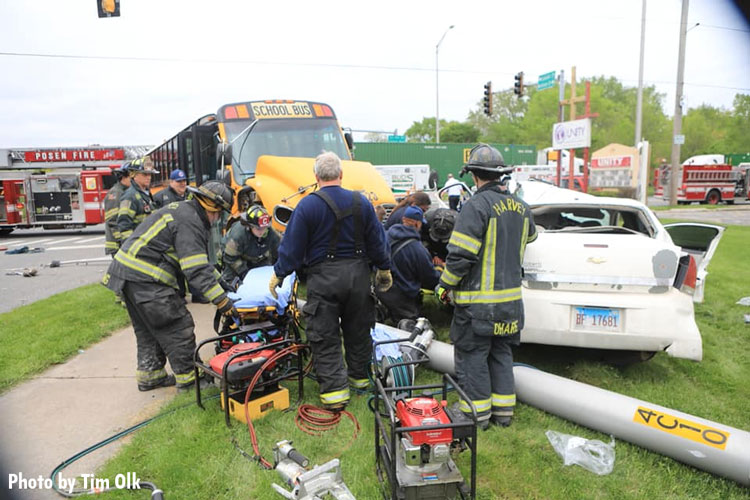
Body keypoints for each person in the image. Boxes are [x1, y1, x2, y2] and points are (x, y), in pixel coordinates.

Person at [269, 151, 392, 410]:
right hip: (358, 278)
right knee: (359, 331)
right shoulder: (362, 202)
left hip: (324, 280)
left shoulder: (306, 205)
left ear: (315, 176)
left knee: (325, 335)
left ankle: (335, 395)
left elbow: (292, 246)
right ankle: (359, 381)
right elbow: (377, 240)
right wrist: (384, 268)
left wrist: (279, 272)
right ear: (341, 175)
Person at [435, 144, 537, 429]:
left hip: (478, 306)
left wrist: (444, 286)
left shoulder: (475, 207)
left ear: (475, 176)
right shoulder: (521, 207)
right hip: (511, 303)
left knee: (472, 356)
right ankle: (503, 414)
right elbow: (531, 237)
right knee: (502, 353)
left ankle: (475, 415)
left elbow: (461, 256)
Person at [102, 181, 239, 392]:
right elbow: (195, 270)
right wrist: (222, 301)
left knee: (149, 330)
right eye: (219, 214)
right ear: (213, 208)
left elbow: (199, 262)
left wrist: (221, 281)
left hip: (128, 277)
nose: (218, 220)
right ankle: (191, 380)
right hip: (147, 280)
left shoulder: (185, 212)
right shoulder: (191, 222)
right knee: (177, 326)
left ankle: (151, 375)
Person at [376, 206, 440, 325]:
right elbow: (430, 279)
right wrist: (440, 271)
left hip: (381, 288)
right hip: (402, 296)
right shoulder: (417, 249)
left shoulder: (385, 236)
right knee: (408, 328)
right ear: (417, 224)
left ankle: (384, 311)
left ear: (403, 219)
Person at [221, 205, 280, 285]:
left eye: (264, 228)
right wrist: (244, 272)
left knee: (266, 280)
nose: (262, 232)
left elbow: (280, 250)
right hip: (235, 259)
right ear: (250, 226)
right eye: (258, 229)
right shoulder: (238, 235)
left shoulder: (270, 232)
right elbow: (230, 258)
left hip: (257, 258)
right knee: (231, 283)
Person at [117, 156, 157, 243]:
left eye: (150, 174)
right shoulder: (129, 196)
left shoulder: (146, 194)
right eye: (145, 174)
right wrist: (131, 246)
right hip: (139, 247)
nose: (149, 177)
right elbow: (124, 225)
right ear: (133, 175)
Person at [104, 162, 131, 256]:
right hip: (118, 245)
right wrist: (122, 240)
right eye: (132, 177)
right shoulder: (115, 193)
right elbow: (112, 220)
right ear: (124, 177)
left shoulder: (126, 191)